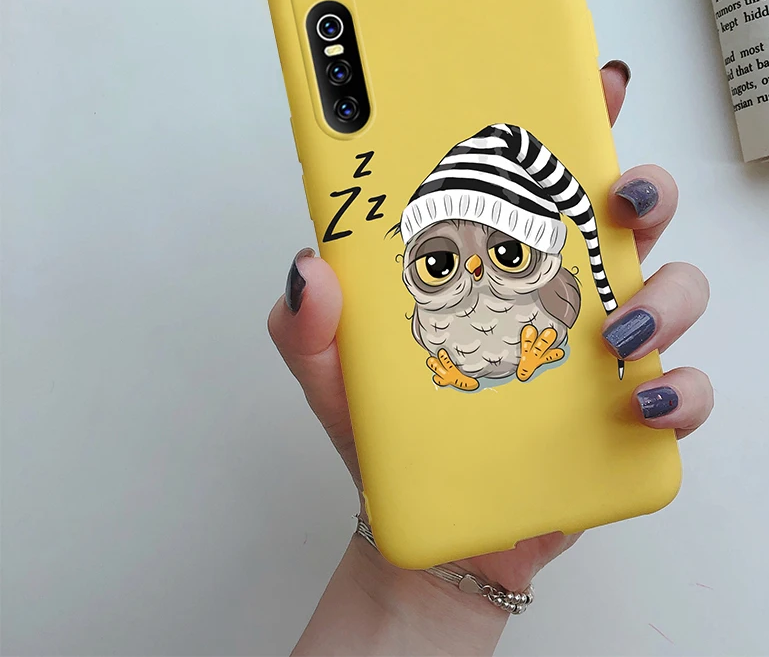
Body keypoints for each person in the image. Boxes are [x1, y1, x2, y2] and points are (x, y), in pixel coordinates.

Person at [267, 62, 713, 656]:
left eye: (508, 252)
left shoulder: (552, 294)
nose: (474, 271)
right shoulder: (430, 320)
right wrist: (431, 580)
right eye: (439, 262)